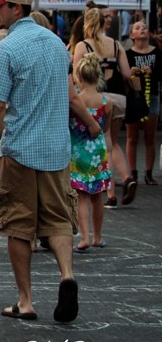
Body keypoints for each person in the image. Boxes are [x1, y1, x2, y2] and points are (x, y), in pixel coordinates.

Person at [0, 0, 95, 324]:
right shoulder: (57, 44)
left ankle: (25, 301)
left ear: (16, 7)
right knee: (59, 219)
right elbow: (69, 95)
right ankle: (66, 275)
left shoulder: (8, 50)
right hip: (56, 149)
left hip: (20, 149)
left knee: (18, 224)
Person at [72, 7, 136, 207]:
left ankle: (109, 193)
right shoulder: (116, 45)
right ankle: (126, 177)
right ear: (103, 24)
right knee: (112, 142)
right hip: (118, 97)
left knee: (101, 142)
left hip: (94, 98)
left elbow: (76, 74)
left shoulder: (83, 46)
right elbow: (126, 74)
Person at [70, 53, 111, 253]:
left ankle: (84, 237)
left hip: (78, 151)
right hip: (98, 150)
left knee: (81, 196)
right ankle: (98, 236)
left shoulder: (77, 100)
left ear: (78, 76)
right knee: (98, 195)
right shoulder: (106, 102)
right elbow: (107, 127)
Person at [125, 20, 161, 186]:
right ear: (132, 35)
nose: (142, 30)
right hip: (134, 97)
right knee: (132, 137)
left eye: (144, 28)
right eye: (138, 28)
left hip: (151, 96)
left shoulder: (157, 53)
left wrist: (152, 72)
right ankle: (132, 173)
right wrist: (129, 72)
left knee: (149, 137)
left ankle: (148, 173)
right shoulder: (128, 54)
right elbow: (122, 76)